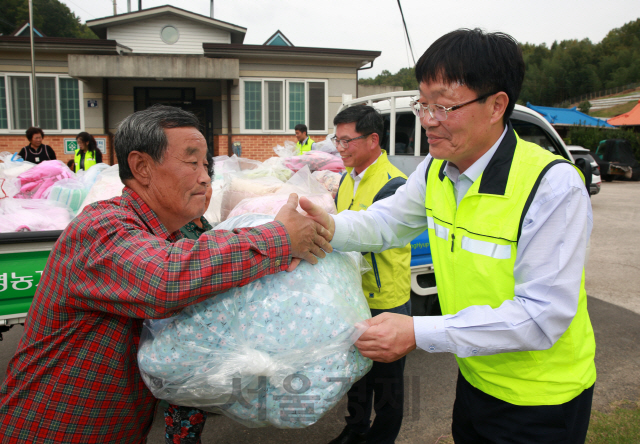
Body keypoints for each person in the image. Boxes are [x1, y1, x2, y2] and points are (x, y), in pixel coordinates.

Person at [309, 29, 596, 443]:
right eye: (422, 104)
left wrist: (417, 332)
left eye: (443, 105)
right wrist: (323, 226)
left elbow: (541, 316)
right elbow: (385, 222)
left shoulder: (552, 187)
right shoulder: (437, 169)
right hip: (476, 378)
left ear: (497, 105)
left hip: (542, 399)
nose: (427, 120)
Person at [0, 105, 332, 443]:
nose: (205, 177)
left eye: (206, 165)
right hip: (50, 431)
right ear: (141, 167)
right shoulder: (101, 227)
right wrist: (279, 237)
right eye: (192, 162)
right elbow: (167, 278)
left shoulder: (167, 236)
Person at [327, 105, 411, 444]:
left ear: (373, 140)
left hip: (385, 298)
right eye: (338, 140)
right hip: (354, 295)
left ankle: (383, 437)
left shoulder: (394, 184)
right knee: (358, 374)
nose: (340, 148)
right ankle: (356, 429)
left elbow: (367, 237)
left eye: (348, 141)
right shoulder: (347, 178)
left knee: (388, 381)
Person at [163, 151, 215, 444]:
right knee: (184, 404)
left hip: (203, 331)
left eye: (208, 188)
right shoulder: (176, 228)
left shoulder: (202, 223)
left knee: (197, 403)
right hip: (181, 332)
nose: (204, 192)